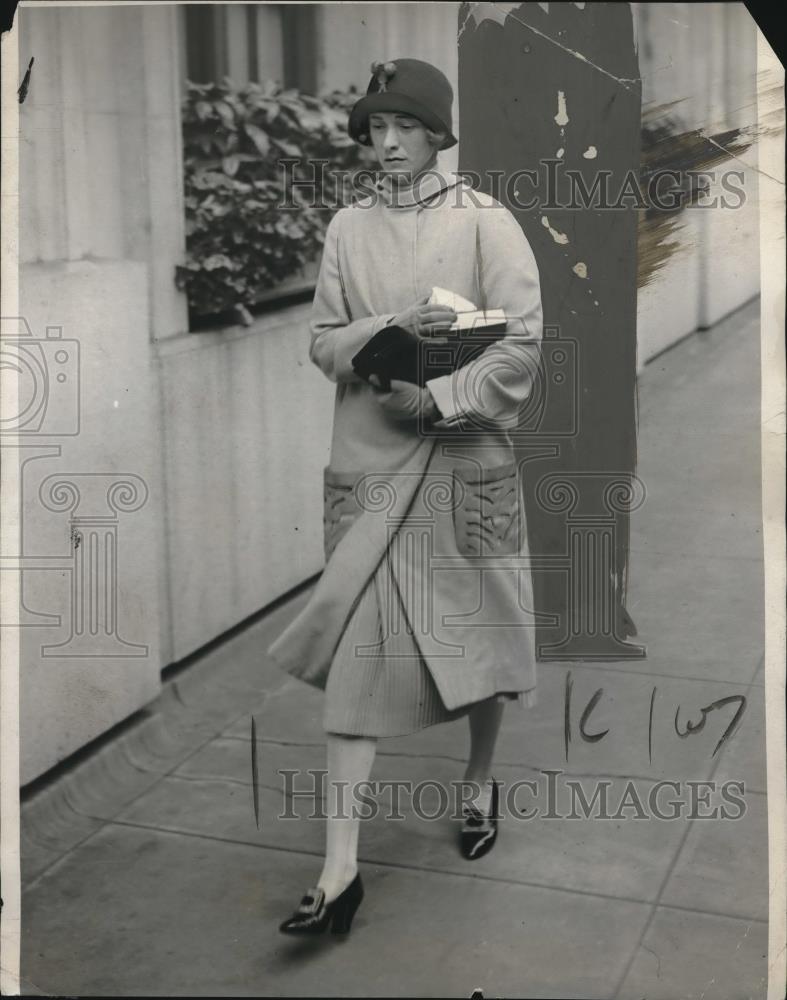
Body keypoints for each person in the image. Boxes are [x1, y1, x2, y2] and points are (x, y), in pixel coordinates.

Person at [270, 57, 543, 936]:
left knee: (482, 649)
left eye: (404, 129)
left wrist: (443, 395)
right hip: (370, 469)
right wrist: (386, 334)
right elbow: (319, 340)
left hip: (463, 462)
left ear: (435, 136)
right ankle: (339, 870)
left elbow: (524, 344)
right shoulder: (347, 227)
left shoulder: (485, 220)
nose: (385, 144)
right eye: (375, 129)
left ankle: (475, 786)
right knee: (356, 657)